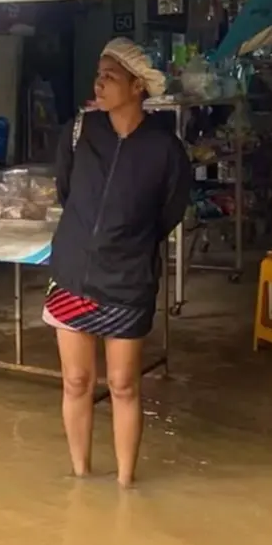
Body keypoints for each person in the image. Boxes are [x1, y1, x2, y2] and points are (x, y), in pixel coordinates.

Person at [44, 37, 192, 488]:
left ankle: (127, 484)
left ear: (137, 87)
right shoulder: (80, 131)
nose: (99, 83)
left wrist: (126, 242)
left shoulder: (165, 150)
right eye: (98, 74)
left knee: (125, 385)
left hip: (128, 281)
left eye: (110, 76)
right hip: (72, 274)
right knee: (75, 381)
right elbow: (66, 192)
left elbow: (169, 212)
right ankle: (82, 476)